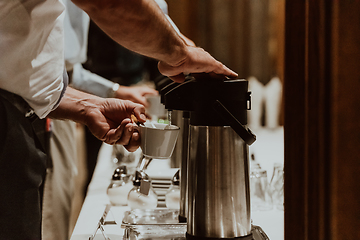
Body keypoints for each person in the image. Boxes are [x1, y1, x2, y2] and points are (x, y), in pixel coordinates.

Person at [0, 1, 237, 239]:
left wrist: (87, 106)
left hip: (26, 109)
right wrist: (180, 53)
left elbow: (19, 67)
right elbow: (110, 3)